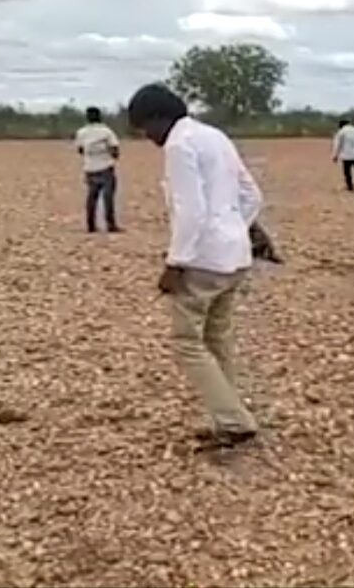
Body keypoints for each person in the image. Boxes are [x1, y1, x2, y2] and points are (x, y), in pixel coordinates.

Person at [127, 84, 262, 449]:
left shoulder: (178, 145)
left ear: (157, 118)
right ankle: (229, 415)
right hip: (235, 257)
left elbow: (192, 211)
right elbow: (251, 194)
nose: (146, 137)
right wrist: (235, 227)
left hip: (203, 261)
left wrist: (176, 262)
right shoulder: (214, 136)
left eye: (144, 128)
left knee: (187, 341)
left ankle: (234, 421)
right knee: (216, 338)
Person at [74, 106, 122, 233]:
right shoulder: (106, 132)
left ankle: (91, 225)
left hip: (90, 167)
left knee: (91, 197)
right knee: (108, 198)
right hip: (105, 166)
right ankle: (110, 225)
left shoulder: (81, 132)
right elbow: (114, 148)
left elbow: (80, 149)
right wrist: (112, 156)